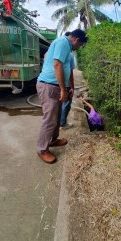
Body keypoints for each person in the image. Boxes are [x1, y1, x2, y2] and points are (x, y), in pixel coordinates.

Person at [36, 29, 87, 164]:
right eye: (80, 45)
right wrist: (63, 89)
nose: (78, 48)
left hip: (55, 86)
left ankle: (52, 140)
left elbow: (66, 69)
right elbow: (57, 64)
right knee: (50, 119)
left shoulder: (65, 47)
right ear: (76, 40)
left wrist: (70, 87)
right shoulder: (63, 43)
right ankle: (42, 149)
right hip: (49, 86)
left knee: (56, 117)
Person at [60, 32, 75, 129]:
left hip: (57, 83)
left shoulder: (57, 50)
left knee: (60, 104)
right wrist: (72, 87)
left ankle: (60, 122)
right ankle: (63, 123)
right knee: (66, 104)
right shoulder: (70, 54)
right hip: (65, 84)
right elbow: (70, 72)